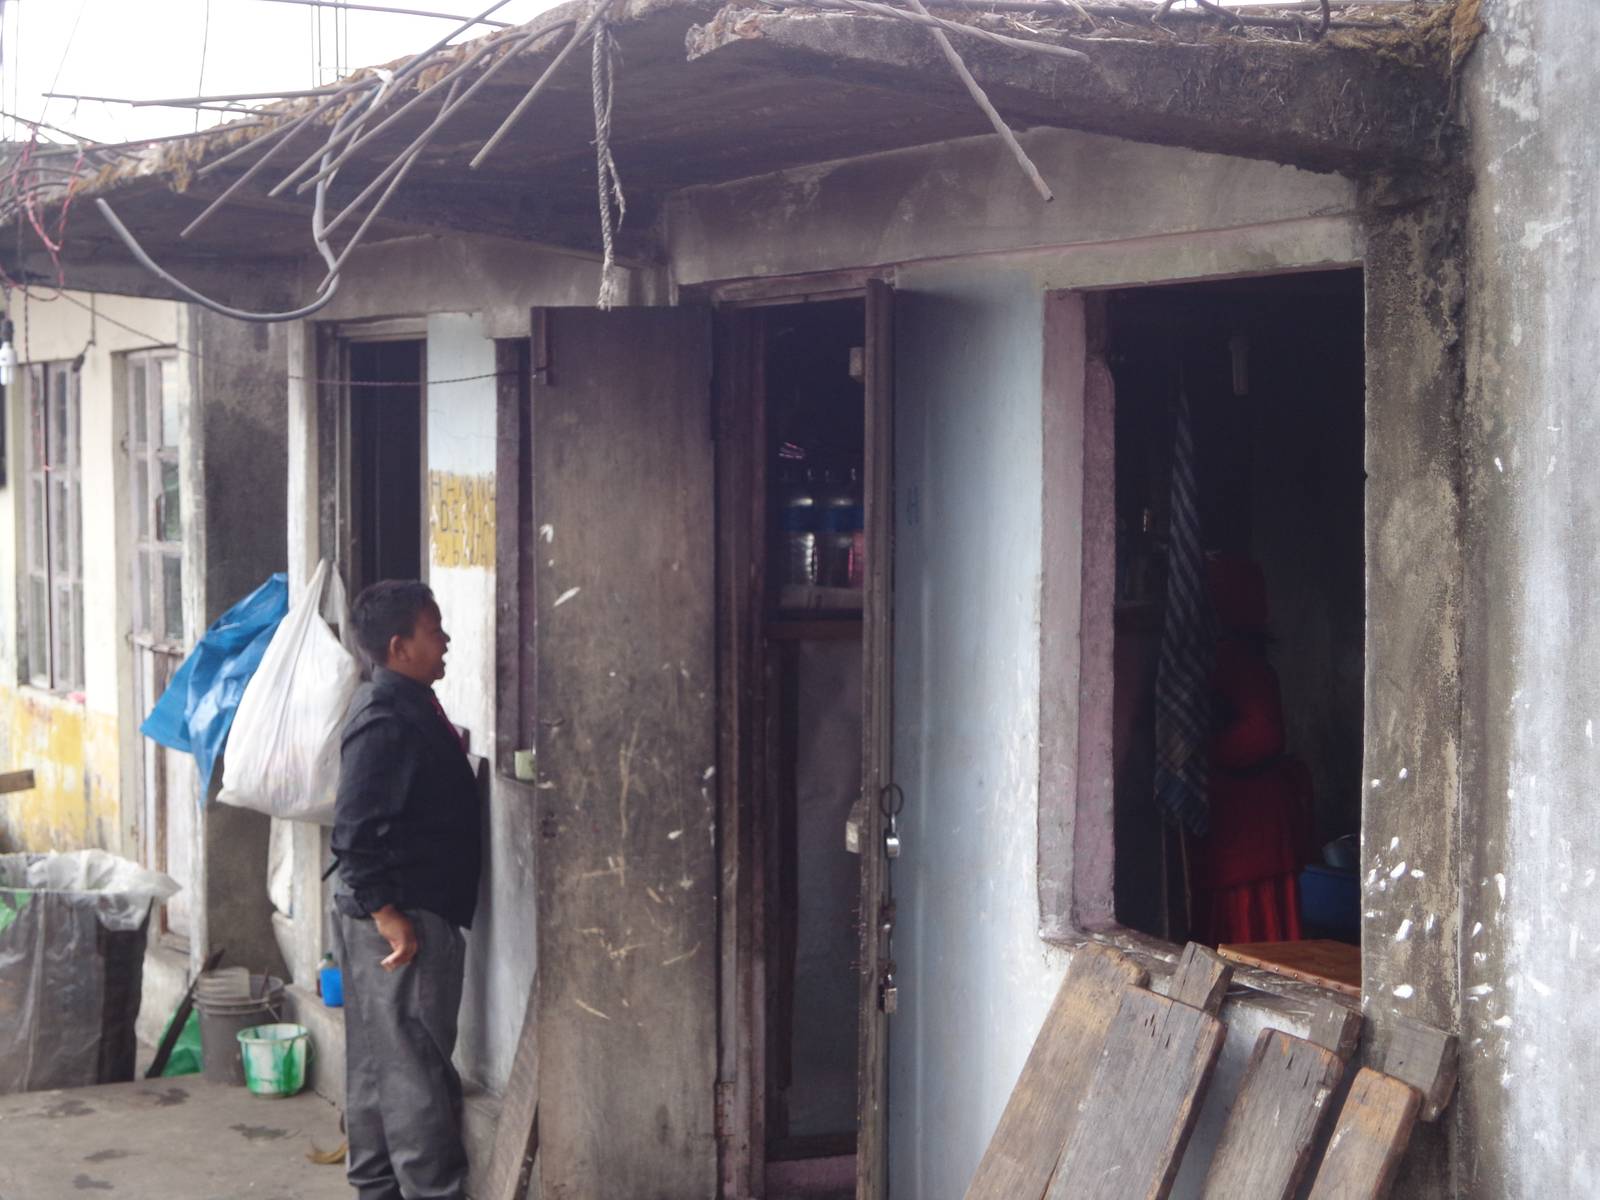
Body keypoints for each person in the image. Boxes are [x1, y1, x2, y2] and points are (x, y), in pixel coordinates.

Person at [331, 580, 482, 1200]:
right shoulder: (387, 717)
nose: (445, 640)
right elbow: (355, 830)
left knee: (378, 1062)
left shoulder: (405, 704)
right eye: (435, 630)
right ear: (400, 646)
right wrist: (390, 914)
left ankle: (377, 1188)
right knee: (415, 1068)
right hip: (401, 918)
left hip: (391, 910)